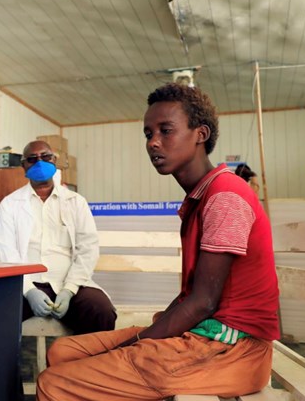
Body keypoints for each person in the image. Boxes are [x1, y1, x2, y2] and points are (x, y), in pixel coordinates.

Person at [37, 83, 279, 400]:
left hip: (231, 349)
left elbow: (203, 302)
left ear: (200, 134)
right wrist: (145, 337)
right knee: (63, 352)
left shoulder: (225, 197)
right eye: (148, 134)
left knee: (53, 383)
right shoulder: (200, 198)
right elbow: (191, 297)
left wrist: (135, 345)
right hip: (203, 334)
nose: (153, 143)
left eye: (166, 131)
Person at [0, 140, 116, 334]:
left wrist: (69, 290)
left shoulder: (75, 202)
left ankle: (91, 364)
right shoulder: (10, 204)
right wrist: (28, 291)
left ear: (55, 161)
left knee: (100, 310)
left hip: (69, 283)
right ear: (23, 165)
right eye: (32, 159)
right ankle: (7, 365)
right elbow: (6, 253)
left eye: (46, 157)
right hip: (25, 284)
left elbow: (88, 249)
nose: (40, 163)